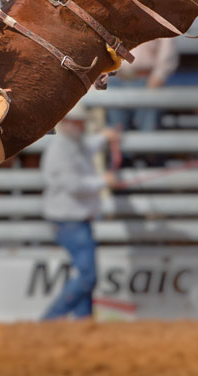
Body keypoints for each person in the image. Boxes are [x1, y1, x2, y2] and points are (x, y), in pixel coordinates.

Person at [41, 103, 119, 320]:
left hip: (72, 220)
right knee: (87, 276)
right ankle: (51, 319)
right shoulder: (62, 149)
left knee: (84, 275)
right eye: (79, 122)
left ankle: (83, 322)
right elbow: (74, 185)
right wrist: (104, 181)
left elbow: (88, 147)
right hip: (70, 221)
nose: (83, 126)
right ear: (68, 124)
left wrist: (104, 137)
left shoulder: (71, 143)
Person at [108, 37, 178, 133]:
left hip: (147, 82)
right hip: (117, 80)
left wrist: (158, 76)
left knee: (148, 131)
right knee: (115, 133)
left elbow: (167, 45)